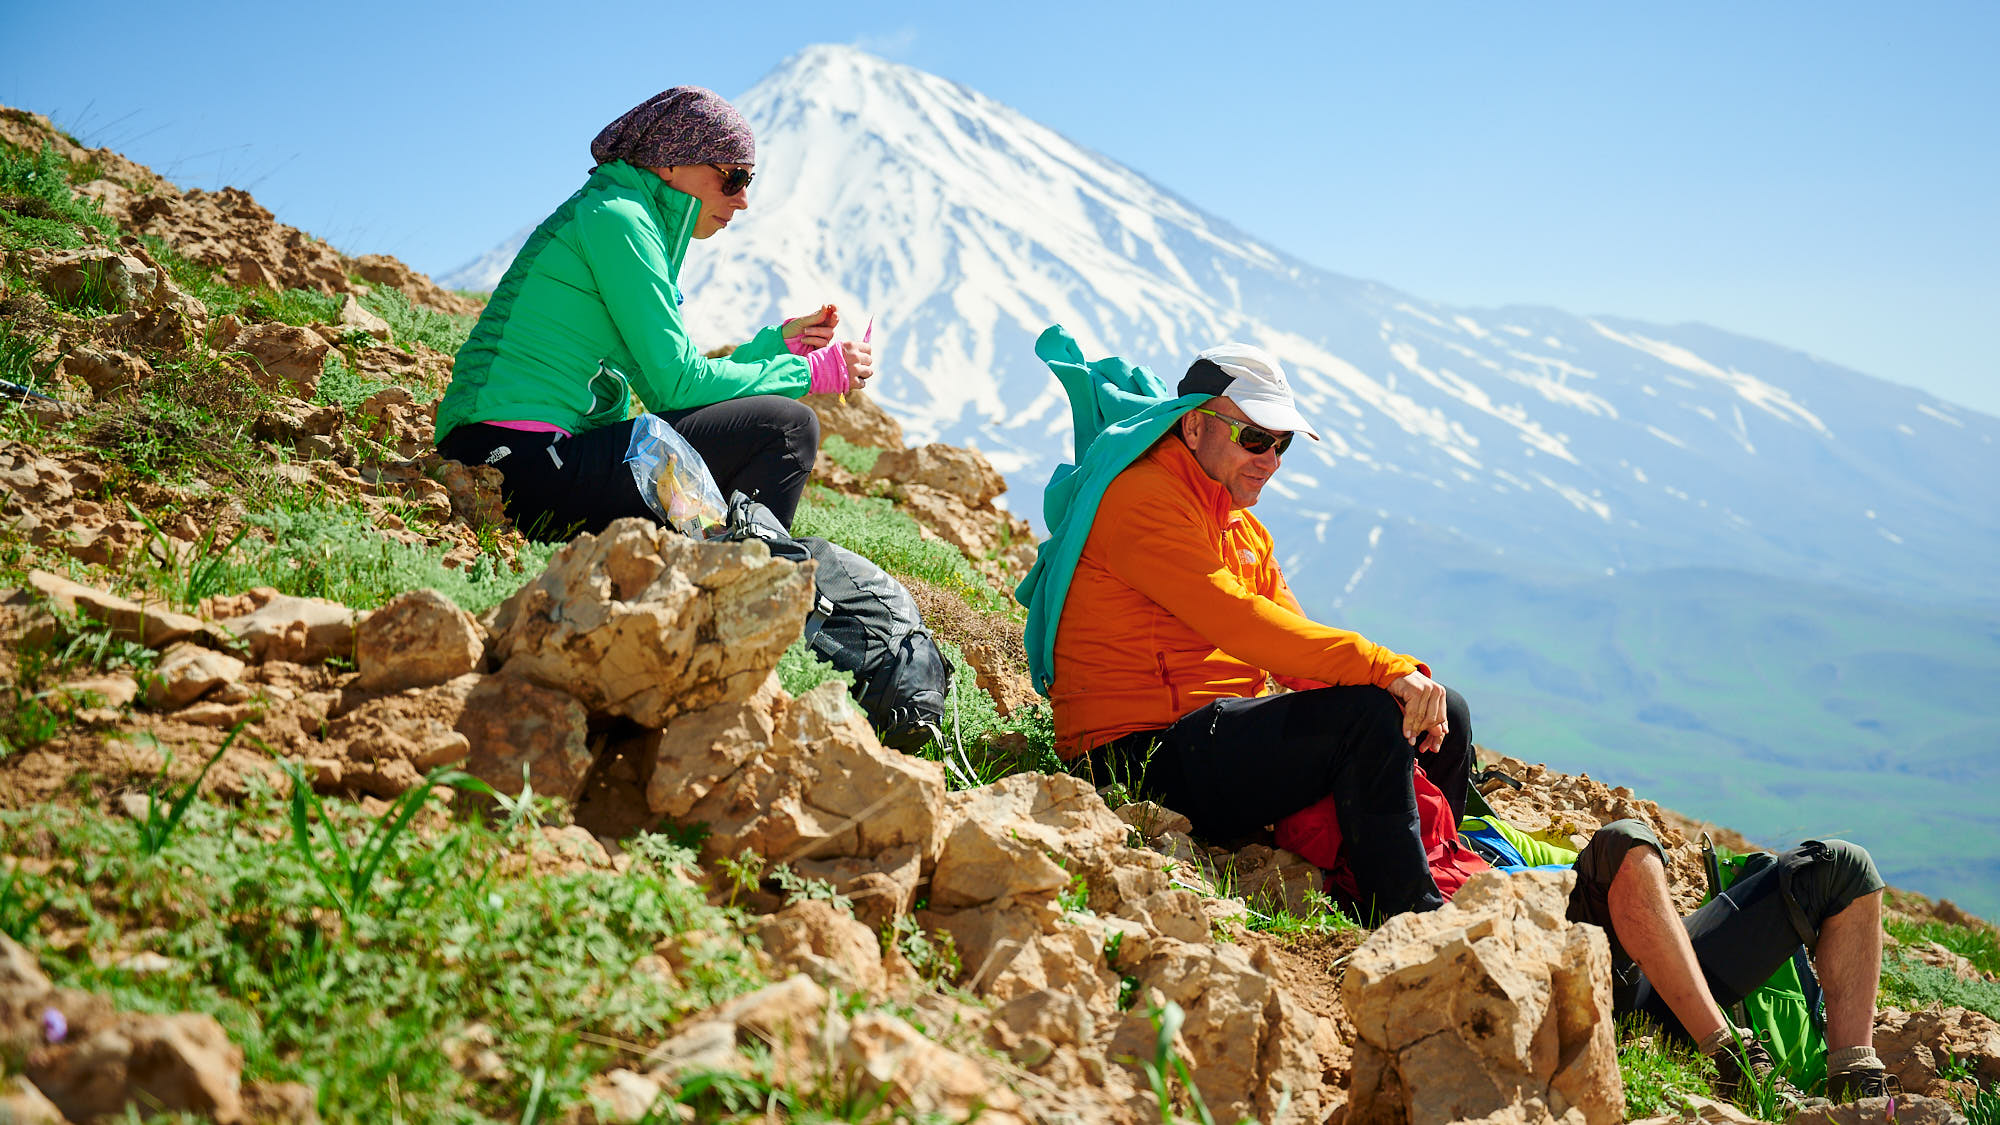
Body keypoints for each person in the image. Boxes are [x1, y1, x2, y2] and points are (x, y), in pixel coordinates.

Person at [1035, 340, 1891, 1101]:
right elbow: (1244, 629)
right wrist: (1384, 672)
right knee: (1370, 713)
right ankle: (1411, 916)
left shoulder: (1238, 528)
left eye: (1283, 443)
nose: (1271, 458)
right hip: (1136, 753)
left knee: (1430, 714)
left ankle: (1446, 853)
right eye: (1255, 437)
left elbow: (1290, 652)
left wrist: (1410, 687)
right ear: (1197, 428)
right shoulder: (1146, 500)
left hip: (1208, 735)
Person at [434, 87, 874, 538]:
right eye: (733, 177)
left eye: (748, 181)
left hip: (525, 457)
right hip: (516, 460)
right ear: (671, 162)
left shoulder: (622, 216)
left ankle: (735, 569)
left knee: (735, 446)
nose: (742, 200)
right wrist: (809, 374)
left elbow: (673, 390)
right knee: (787, 427)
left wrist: (778, 347)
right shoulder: (618, 220)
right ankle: (754, 583)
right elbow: (680, 385)